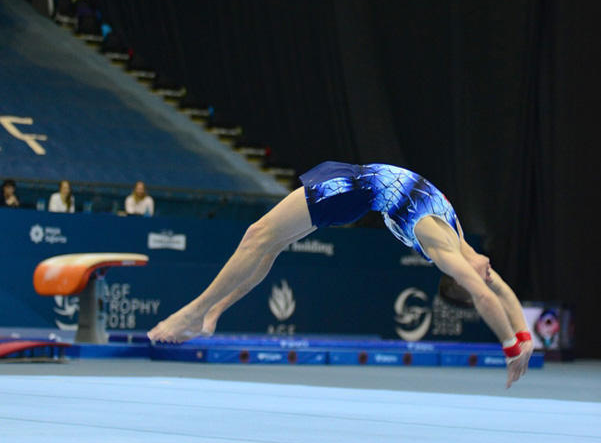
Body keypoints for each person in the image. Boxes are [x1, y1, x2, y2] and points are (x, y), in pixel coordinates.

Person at [148, 161, 534, 387]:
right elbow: (502, 294)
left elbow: (485, 298)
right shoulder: (462, 241)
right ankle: (213, 313)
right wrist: (524, 335)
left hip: (350, 188)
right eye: (488, 274)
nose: (490, 274)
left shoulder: (444, 249)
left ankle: (193, 312)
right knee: (269, 246)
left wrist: (509, 348)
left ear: (461, 275)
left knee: (257, 236)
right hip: (352, 185)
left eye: (480, 277)